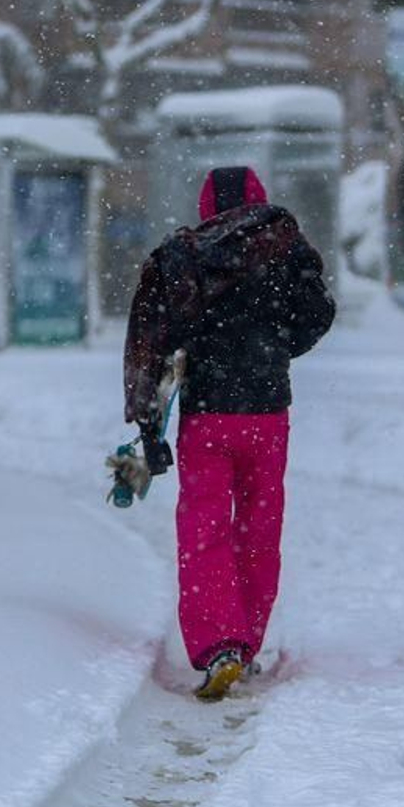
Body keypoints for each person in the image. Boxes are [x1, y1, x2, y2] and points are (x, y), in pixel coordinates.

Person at [123, 166, 336, 701]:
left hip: (207, 416)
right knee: (260, 528)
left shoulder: (183, 256)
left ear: (206, 207)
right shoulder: (284, 242)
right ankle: (249, 642)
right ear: (258, 200)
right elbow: (318, 312)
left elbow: (150, 340)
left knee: (205, 529)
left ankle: (220, 642)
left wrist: (148, 423)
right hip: (268, 414)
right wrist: (276, 344)